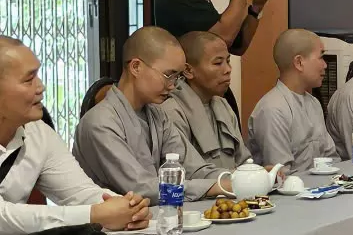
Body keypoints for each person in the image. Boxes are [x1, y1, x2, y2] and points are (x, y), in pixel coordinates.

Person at [0, 37, 150, 235]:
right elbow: (3, 217)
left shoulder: (39, 133)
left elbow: (78, 193)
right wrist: (93, 215)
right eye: (29, 80)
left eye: (38, 76)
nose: (41, 87)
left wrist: (128, 207)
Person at [74, 28, 232, 201]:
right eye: (169, 75)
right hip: (110, 218)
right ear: (136, 67)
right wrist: (214, 187)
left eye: (178, 77)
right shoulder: (100, 123)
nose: (173, 85)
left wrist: (239, 179)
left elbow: (193, 169)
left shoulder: (158, 115)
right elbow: (140, 187)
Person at [247, 29, 338, 174]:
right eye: (321, 57)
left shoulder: (314, 103)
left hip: (323, 185)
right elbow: (281, 174)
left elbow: (331, 158)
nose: (325, 65)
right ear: (299, 62)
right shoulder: (272, 110)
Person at [158, 32, 250, 171]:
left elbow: (243, 161)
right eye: (218, 63)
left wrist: (257, 172)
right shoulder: (172, 112)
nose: (228, 70)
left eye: (228, 61)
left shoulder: (224, 105)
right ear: (188, 70)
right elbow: (185, 171)